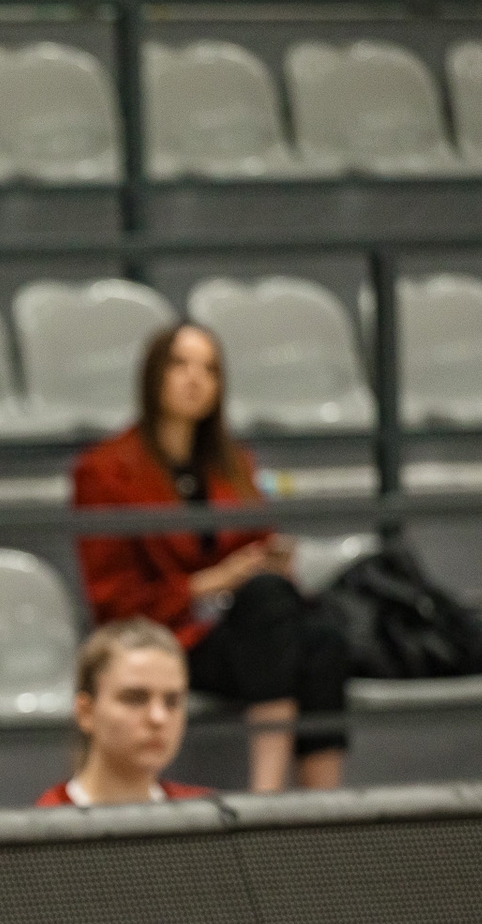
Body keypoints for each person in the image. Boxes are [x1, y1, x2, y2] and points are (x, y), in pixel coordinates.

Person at [72, 322, 349, 793]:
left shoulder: (234, 462)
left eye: (209, 369)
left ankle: (325, 810)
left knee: (322, 640)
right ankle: (266, 798)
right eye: (180, 365)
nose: (195, 379)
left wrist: (269, 561)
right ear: (153, 375)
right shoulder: (104, 471)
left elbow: (256, 541)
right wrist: (214, 581)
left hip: (238, 629)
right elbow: (113, 600)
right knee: (272, 611)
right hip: (167, 635)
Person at [36, 618, 212, 808]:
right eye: (134, 699)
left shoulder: (208, 813)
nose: (158, 717)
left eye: (172, 702)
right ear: (86, 712)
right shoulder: (47, 820)